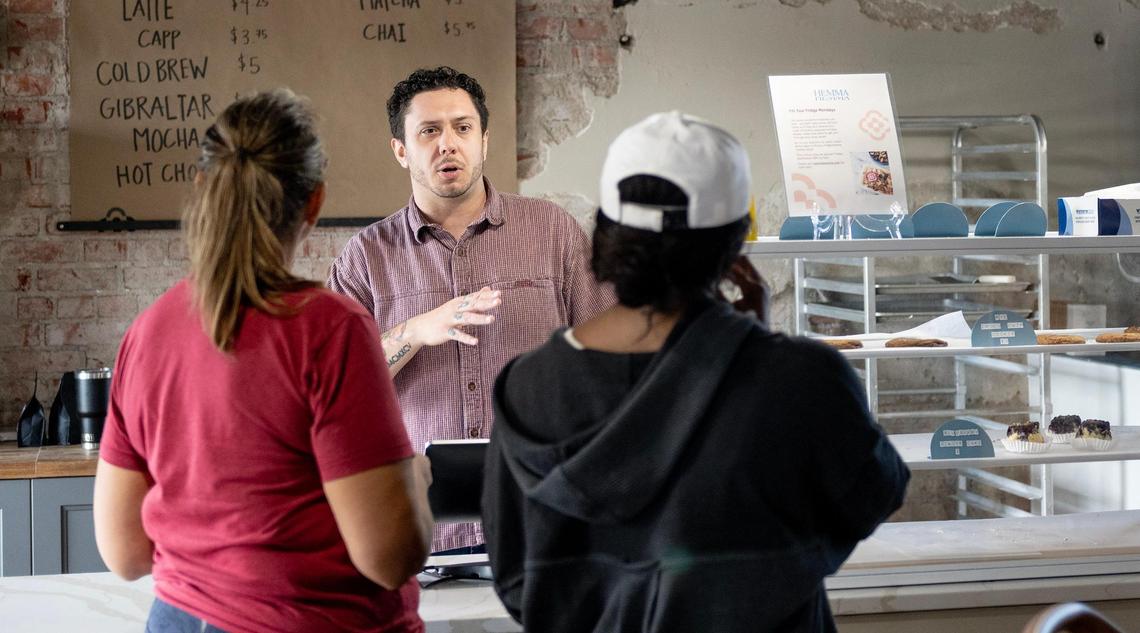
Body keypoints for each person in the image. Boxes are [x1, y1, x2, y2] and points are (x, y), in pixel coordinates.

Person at [482, 112, 910, 632]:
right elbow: (872, 496)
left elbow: (515, 574)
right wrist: (755, 343)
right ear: (733, 246)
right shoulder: (802, 378)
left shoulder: (527, 386)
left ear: (606, 233)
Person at [93, 89, 434, 633]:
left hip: (177, 620)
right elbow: (389, 558)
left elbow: (123, 552)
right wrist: (414, 480)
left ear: (205, 188)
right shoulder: (330, 330)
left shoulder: (148, 331)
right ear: (314, 203)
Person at [327, 66, 613, 553]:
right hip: (422, 529)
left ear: (484, 140)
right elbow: (334, 390)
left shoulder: (553, 232)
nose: (448, 144)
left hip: (542, 517)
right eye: (429, 132)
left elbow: (609, 361)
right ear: (401, 150)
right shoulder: (364, 258)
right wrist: (414, 332)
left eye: (463, 128)